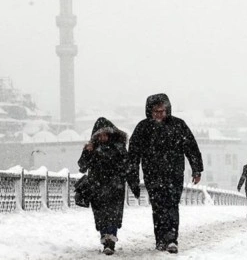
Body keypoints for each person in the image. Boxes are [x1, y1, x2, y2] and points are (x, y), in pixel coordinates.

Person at [128, 93, 203, 254]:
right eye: (156, 111)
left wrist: (197, 169)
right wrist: (132, 176)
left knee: (171, 205)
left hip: (174, 174)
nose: (159, 115)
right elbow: (133, 154)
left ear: (167, 110)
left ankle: (171, 239)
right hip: (152, 174)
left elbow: (191, 147)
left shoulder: (178, 125)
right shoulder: (143, 128)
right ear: (150, 111)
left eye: (162, 111)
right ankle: (160, 239)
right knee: (158, 206)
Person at [78, 117, 140, 256]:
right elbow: (82, 167)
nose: (103, 137)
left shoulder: (119, 148)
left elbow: (128, 168)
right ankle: (105, 238)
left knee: (113, 214)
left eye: (106, 134)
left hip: (115, 188)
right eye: (100, 135)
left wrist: (134, 185)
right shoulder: (92, 149)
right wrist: (87, 152)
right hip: (97, 188)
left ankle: (110, 241)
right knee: (100, 216)